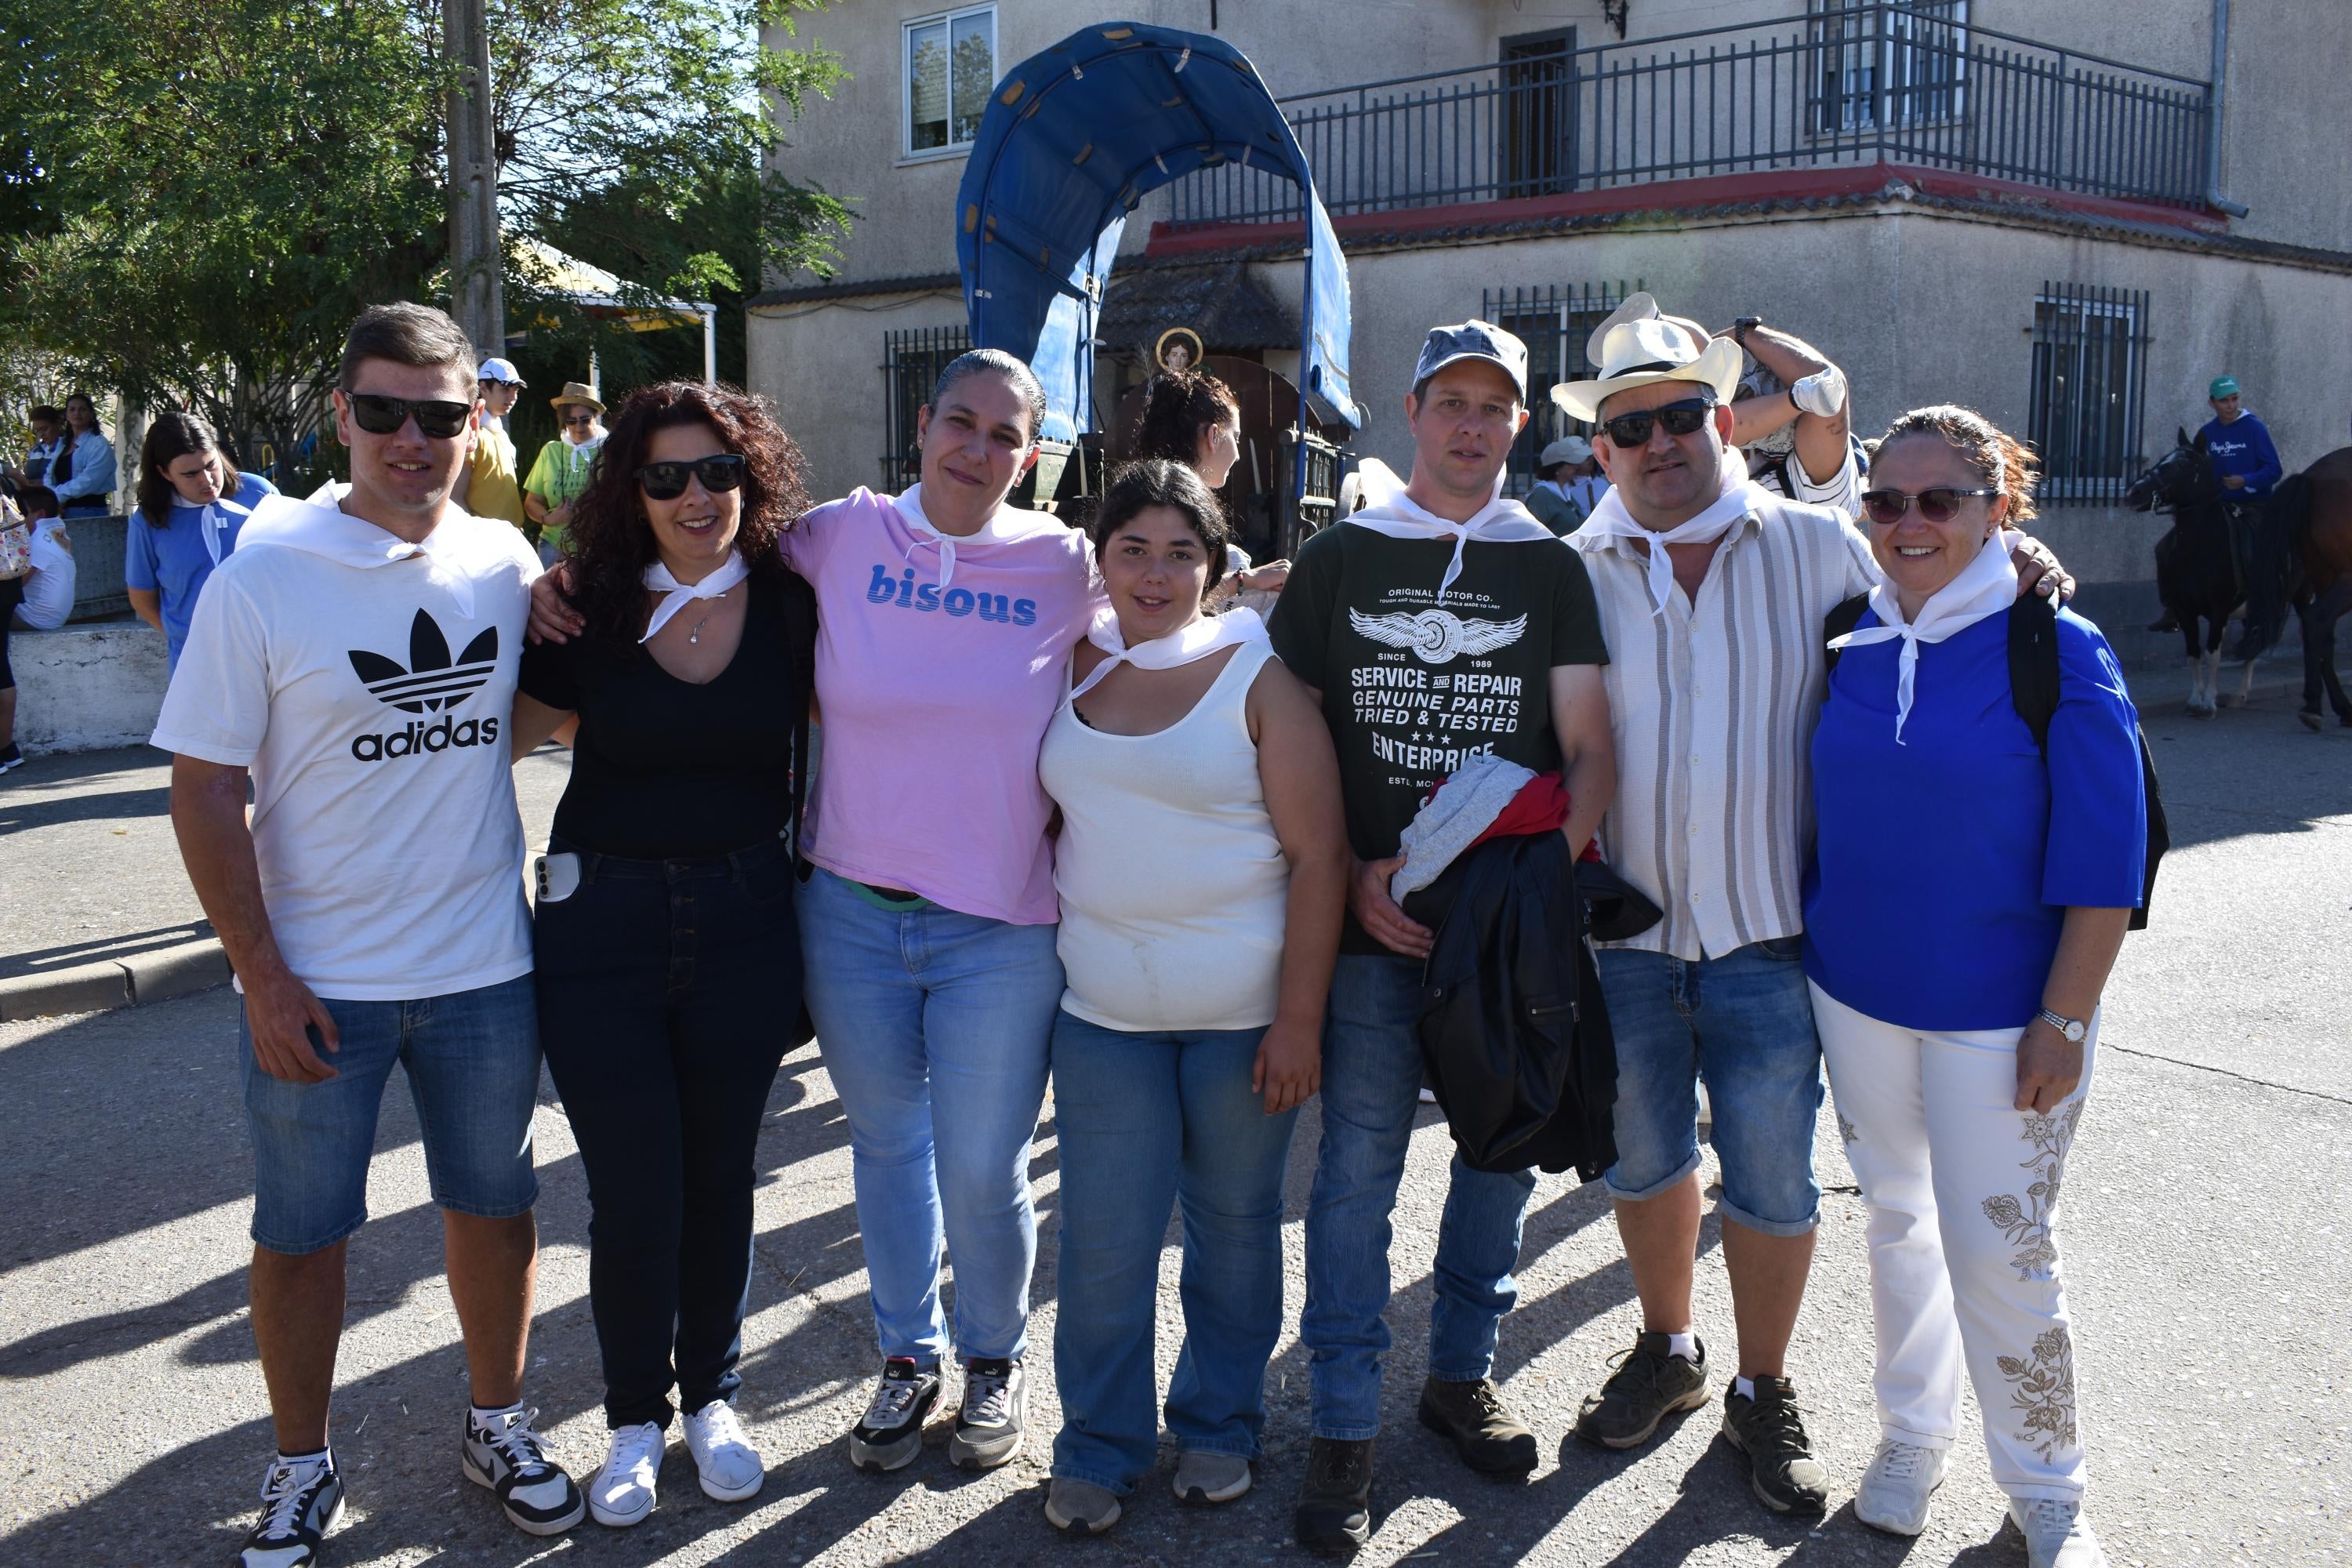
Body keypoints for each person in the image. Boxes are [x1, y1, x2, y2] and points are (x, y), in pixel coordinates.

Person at [529, 348, 1101, 1476]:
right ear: (924, 425)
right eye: (961, 423)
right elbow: (680, 549)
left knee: (984, 1168)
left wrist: (1243, 601)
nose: (977, 449)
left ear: (1032, 453)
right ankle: (907, 1359)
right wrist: (543, 576)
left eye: (1004, 434)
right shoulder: (839, 538)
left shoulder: (1062, 561)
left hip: (999, 920)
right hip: (848, 908)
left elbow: (1153, 612)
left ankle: (993, 1359)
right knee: (888, 1150)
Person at [1552, 307, 2071, 1520]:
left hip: (1774, 939)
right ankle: (1671, 1351)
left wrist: (2019, 564)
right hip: (1622, 942)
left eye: (1683, 415)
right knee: (1643, 1163)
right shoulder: (1571, 572)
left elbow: (1934, 581)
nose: (1660, 441)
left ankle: (1760, 1383)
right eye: (1632, 426)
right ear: (1603, 452)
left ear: (1723, 423)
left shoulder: (1821, 546)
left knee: (1774, 1185)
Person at [156, 303, 583, 1568]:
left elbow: (526, 724)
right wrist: (259, 974)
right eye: (386, 411)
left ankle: (495, 1425)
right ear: (340, 415)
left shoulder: (505, 565)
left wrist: (581, 640)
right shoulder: (265, 580)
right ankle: (299, 1466)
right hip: (318, 980)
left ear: (476, 421)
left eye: (441, 415)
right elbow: (203, 786)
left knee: (496, 1206)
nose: (413, 438)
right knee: (300, 1233)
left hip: (482, 966)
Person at [1266, 320, 1616, 1552]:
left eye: (1495, 408)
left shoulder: (1551, 566)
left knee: (1496, 1158)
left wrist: (1501, 903)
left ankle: (1460, 1374)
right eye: (1451, 402)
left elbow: (1589, 751)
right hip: (1364, 937)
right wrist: (1353, 872)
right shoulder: (1342, 559)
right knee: (1354, 1183)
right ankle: (1345, 1424)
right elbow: (1289, 725)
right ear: (1411, 413)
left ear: (1523, 426)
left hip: (1499, 942)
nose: (1472, 426)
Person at [1806, 405, 2140, 1568]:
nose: (1906, 523)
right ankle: (1912, 1434)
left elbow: (2108, 862)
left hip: (2006, 1017)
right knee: (1896, 1224)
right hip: (1853, 998)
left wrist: (2065, 1018)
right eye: (1885, 501)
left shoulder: (2055, 644)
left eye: (1938, 500)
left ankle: (2049, 1491)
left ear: (1999, 510)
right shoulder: (1847, 632)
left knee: (2003, 1249)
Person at [507, 380, 818, 1529]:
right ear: (628, 491)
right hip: (603, 926)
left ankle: (714, 1403)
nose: (697, 496)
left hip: (746, 919)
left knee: (720, 1178)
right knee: (635, 1187)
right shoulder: (580, 607)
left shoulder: (797, 601)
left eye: (720, 472)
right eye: (667, 476)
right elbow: (482, 753)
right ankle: (635, 1420)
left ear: (754, 479)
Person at [1036, 460, 1348, 1536]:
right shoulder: (1070, 665)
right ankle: (1099, 1444)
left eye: (1182, 552)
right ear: (1102, 557)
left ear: (1216, 568)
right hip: (1103, 1020)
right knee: (1104, 1243)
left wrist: (1300, 1021)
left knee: (1233, 1231)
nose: (1157, 573)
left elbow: (1320, 857)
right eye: (1134, 549)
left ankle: (1220, 1426)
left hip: (1244, 1025)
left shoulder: (1257, 679)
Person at [127, 412, 281, 670]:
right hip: (196, 666)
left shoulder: (259, 493)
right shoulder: (149, 521)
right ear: (164, 473)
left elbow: (293, 564)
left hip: (269, 656)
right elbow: (142, 598)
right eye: (190, 474)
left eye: (211, 465)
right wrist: (186, 636)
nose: (207, 480)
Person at [1129, 368, 1289, 609]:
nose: (1237, 454)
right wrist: (1248, 580)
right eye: (1235, 437)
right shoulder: (1173, 507)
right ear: (1214, 436)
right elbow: (1173, 594)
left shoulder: (1139, 493)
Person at [2147, 374, 2286, 633]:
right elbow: (2198, 475)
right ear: (2212, 403)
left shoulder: (2254, 428)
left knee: (2255, 548)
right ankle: (2173, 608)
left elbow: (2274, 470)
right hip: (2217, 508)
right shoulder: (2207, 434)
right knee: (2166, 547)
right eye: (2224, 401)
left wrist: (2245, 480)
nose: (2231, 406)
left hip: (2253, 505)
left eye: (2235, 399)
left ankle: (2263, 602)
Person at [0, 485, 75, 773]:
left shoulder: (41, 541)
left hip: (29, 610)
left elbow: (24, 579)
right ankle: (7, 749)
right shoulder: (56, 534)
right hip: (13, 598)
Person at [524, 381, 606, 564]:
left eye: (585, 420)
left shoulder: (610, 451)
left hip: (598, 546)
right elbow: (532, 502)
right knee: (549, 593)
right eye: (571, 421)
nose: (579, 427)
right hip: (553, 545)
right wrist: (549, 518)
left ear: (595, 417)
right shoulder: (551, 451)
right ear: (564, 421)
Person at [456, 357, 529, 532]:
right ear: (482, 388)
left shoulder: (500, 433)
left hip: (510, 538)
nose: (512, 397)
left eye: (516, 390)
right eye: (505, 389)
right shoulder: (472, 433)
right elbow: (455, 498)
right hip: (485, 543)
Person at [49, 391, 118, 517]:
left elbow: (89, 481)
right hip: (60, 511)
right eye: (72, 409)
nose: (77, 413)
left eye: (82, 409)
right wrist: (50, 498)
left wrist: (56, 495)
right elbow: (49, 474)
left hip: (89, 510)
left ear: (91, 414)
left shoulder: (99, 445)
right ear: (67, 415)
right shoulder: (62, 444)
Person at [1526, 434, 1599, 534]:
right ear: (1557, 468)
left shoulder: (1565, 493)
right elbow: (1531, 533)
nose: (1575, 467)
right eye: (1570, 463)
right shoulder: (1541, 495)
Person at [13, 405, 64, 491]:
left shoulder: (67, 448)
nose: (41, 434)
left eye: (44, 429)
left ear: (57, 423)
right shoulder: (36, 451)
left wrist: (45, 484)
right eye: (38, 431)